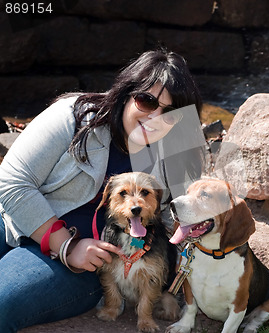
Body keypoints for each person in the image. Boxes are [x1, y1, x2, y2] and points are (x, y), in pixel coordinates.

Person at [0, 48, 203, 332]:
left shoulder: (175, 158)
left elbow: (178, 224)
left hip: (87, 269)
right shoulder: (73, 114)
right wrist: (66, 245)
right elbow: (11, 181)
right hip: (16, 221)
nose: (155, 118)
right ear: (126, 93)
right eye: (146, 101)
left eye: (169, 113)